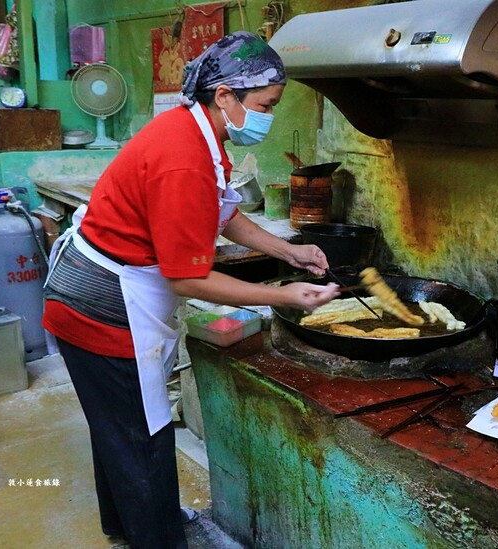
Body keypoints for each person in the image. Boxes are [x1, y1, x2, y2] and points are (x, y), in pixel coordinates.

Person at [42, 31, 339, 549]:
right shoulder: (183, 154)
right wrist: (287, 297)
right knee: (142, 436)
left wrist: (286, 252)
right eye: (266, 105)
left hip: (99, 292)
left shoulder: (201, 136)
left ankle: (126, 527)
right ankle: (156, 539)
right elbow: (188, 278)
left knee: (120, 428)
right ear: (225, 95)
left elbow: (224, 214)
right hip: (100, 307)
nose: (268, 116)